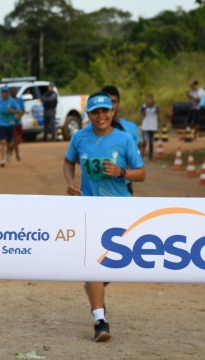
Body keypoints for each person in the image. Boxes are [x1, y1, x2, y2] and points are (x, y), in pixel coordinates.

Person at [63, 92, 145, 342]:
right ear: (88, 115)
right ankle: (100, 320)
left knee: (118, 264)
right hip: (90, 209)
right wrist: (70, 182)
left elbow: (141, 173)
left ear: (112, 112)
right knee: (94, 263)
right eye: (95, 112)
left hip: (121, 208)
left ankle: (93, 283)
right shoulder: (79, 137)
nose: (100, 116)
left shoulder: (124, 139)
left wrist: (121, 172)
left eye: (105, 111)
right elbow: (68, 162)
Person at [101, 85, 140, 195]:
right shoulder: (90, 131)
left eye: (114, 102)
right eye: (108, 101)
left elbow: (138, 159)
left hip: (123, 186)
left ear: (119, 103)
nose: (111, 106)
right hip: (97, 187)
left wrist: (123, 171)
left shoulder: (131, 128)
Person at [0, 86, 21, 167]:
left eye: (6, 92)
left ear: (8, 93)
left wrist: (11, 110)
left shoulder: (12, 102)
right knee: (2, 142)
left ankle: (9, 150)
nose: (4, 94)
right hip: (1, 124)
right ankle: (2, 160)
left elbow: (19, 111)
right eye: (3, 92)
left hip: (10, 124)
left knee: (9, 143)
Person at [140, 93, 159, 160]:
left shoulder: (156, 106)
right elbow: (143, 115)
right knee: (145, 141)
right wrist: (146, 107)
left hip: (153, 126)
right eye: (148, 99)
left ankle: (150, 156)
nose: (149, 100)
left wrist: (153, 106)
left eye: (150, 99)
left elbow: (157, 111)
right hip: (145, 126)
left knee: (151, 142)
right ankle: (141, 155)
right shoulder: (143, 106)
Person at [10, 87, 25, 161]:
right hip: (12, 122)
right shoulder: (9, 101)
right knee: (16, 138)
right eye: (12, 91)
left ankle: (11, 147)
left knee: (19, 140)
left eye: (14, 91)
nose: (13, 92)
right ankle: (17, 155)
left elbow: (23, 110)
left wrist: (20, 116)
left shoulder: (20, 100)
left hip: (19, 122)